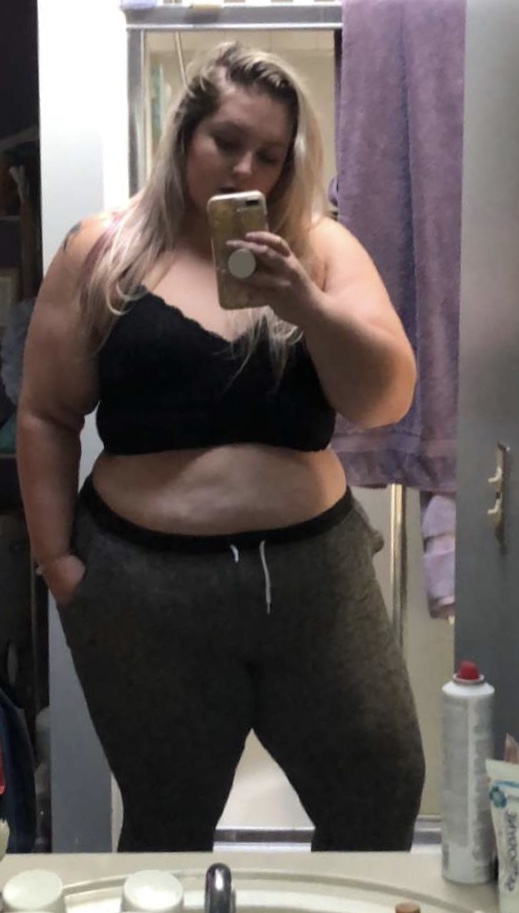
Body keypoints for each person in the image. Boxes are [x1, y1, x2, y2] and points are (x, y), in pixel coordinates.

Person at [17, 41, 425, 852]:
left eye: (269, 155)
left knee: (379, 783)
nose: (246, 169)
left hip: (314, 579)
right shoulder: (102, 249)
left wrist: (307, 305)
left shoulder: (319, 248)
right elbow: (46, 415)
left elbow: (384, 399)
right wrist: (59, 565)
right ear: (183, 134)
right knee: (168, 816)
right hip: (144, 588)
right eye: (227, 141)